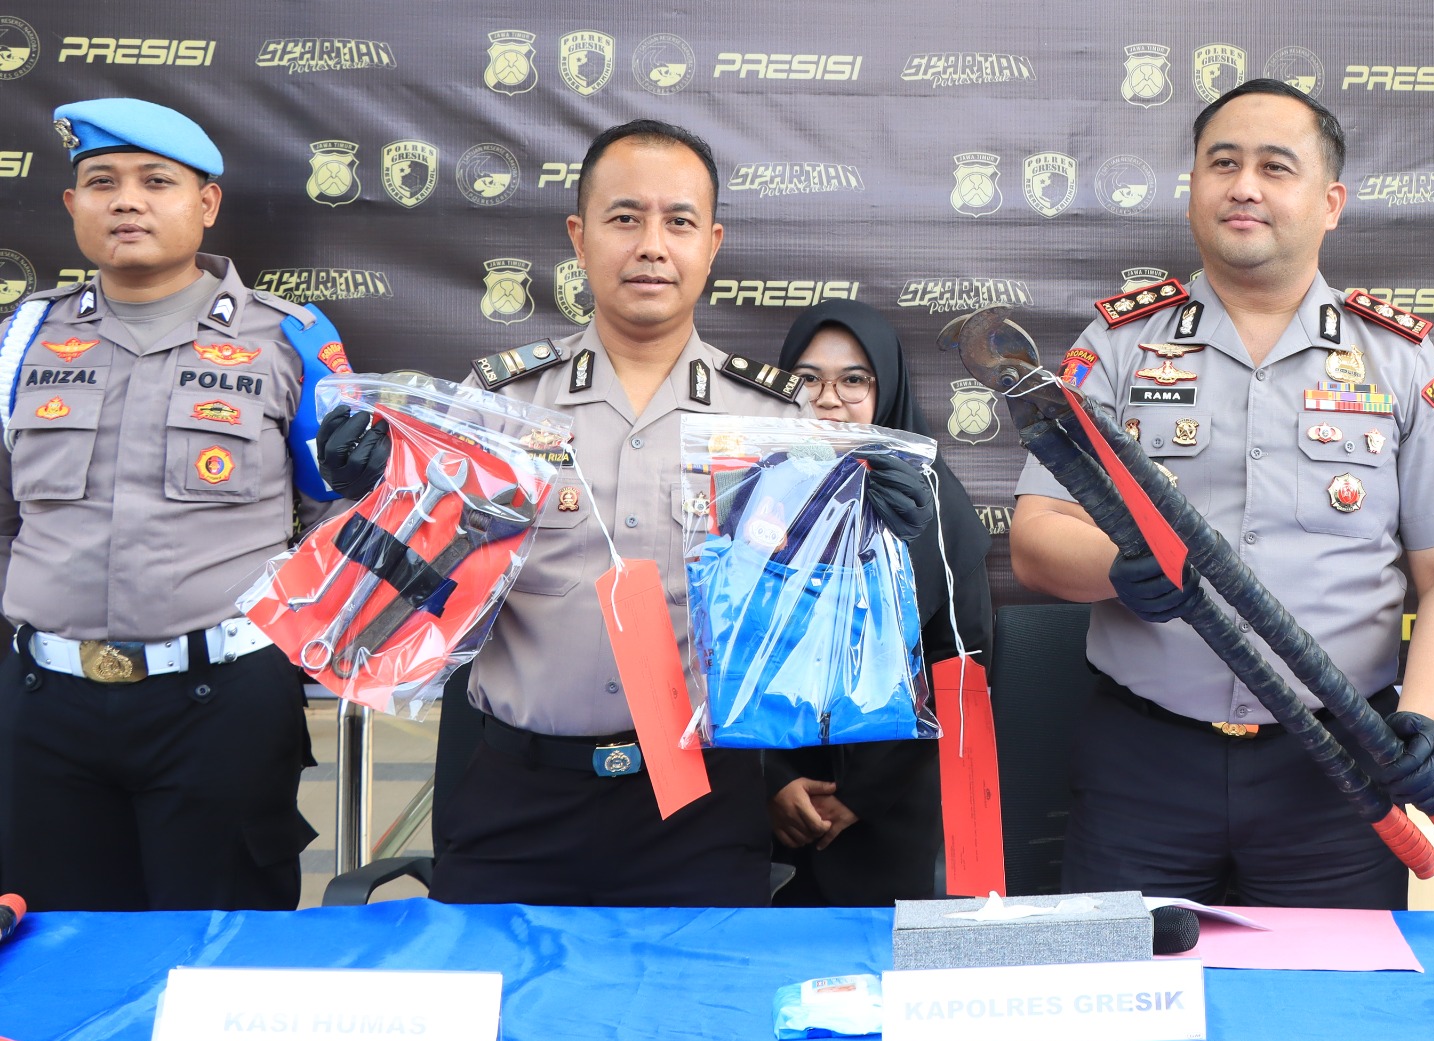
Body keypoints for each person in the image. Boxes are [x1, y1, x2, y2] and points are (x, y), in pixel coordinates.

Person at [317, 119, 934, 906]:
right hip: (519, 802)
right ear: (579, 238)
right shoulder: (496, 407)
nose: (651, 246)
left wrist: (879, 541)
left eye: (678, 222)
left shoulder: (774, 424)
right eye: (624, 218)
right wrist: (379, 493)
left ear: (712, 244)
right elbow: (420, 597)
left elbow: (815, 629)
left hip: (701, 808)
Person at [1009, 79, 1434, 908]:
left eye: (1276, 167)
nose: (1244, 186)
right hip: (1144, 767)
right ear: (1192, 188)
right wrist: (1116, 568)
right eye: (1223, 163)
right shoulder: (1119, 347)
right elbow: (1037, 533)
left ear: (1330, 203)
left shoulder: (1399, 359)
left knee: (1332, 990)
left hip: (1340, 776)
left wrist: (1424, 719)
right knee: (1131, 984)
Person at [1, 99, 349, 910]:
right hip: (44, 710)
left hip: (221, 707)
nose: (127, 201)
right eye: (102, 183)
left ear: (206, 203)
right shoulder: (21, 338)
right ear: (72, 205)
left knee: (219, 955)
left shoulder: (290, 339)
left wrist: (292, 653)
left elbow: (337, 514)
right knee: (56, 959)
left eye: (156, 182)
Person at [765, 299, 993, 905]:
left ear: (885, 389)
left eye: (853, 380)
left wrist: (860, 796)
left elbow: (959, 663)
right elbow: (719, 649)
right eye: (807, 378)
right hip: (760, 804)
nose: (828, 399)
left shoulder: (931, 501)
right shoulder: (749, 490)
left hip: (893, 807)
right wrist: (773, 781)